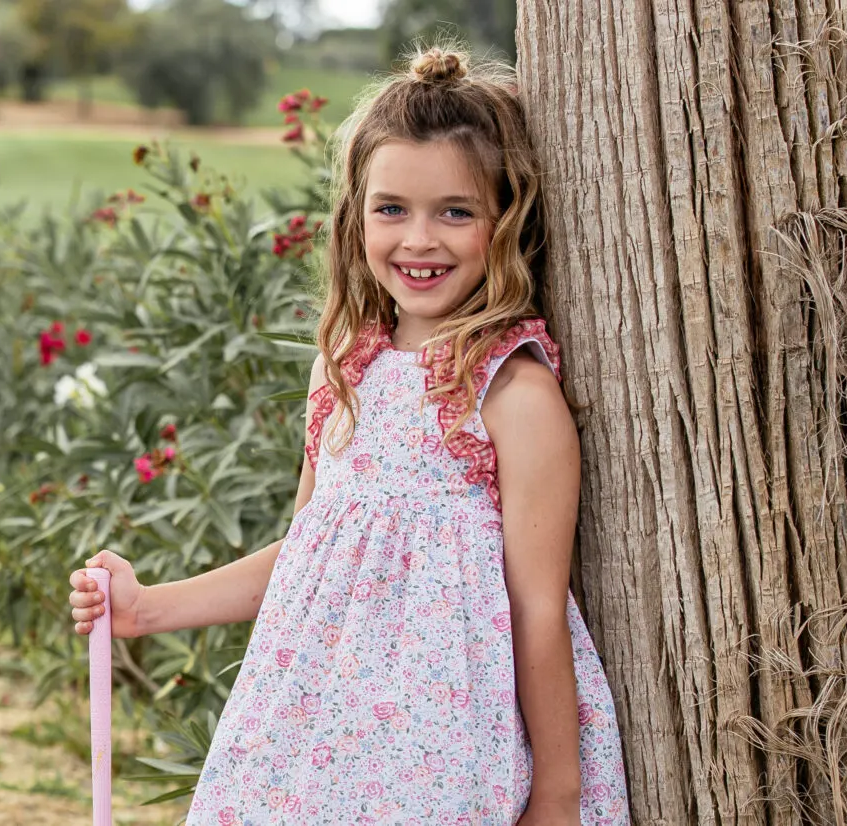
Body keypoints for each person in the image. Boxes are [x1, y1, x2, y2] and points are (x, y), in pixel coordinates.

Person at [65, 46, 628, 825]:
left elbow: (538, 609)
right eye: (391, 209)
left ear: (506, 220)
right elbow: (309, 554)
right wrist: (146, 609)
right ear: (355, 217)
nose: (418, 240)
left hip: (440, 752)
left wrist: (559, 796)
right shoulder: (344, 372)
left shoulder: (511, 391)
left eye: (456, 212)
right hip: (311, 740)